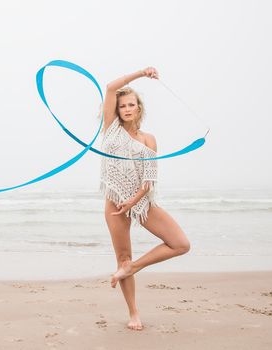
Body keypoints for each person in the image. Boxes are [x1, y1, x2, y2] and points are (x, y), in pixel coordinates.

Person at [100, 67, 191, 331]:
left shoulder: (149, 140)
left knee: (180, 244)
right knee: (122, 255)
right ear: (117, 111)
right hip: (115, 203)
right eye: (122, 106)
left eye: (131, 105)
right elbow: (110, 87)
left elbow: (149, 179)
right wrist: (141, 73)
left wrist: (134, 201)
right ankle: (134, 313)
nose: (127, 109)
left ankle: (132, 268)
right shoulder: (111, 129)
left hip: (141, 203)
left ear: (139, 108)